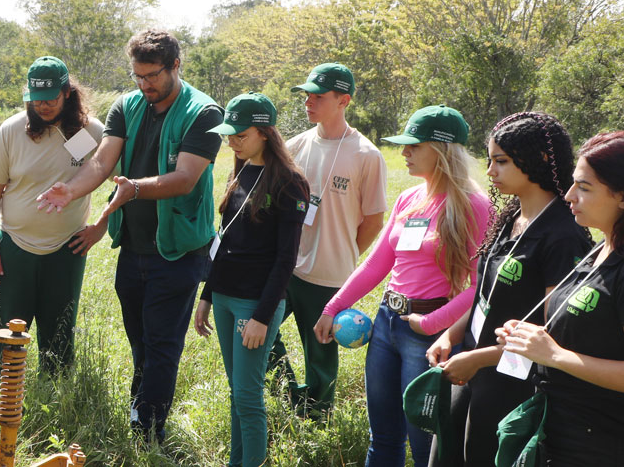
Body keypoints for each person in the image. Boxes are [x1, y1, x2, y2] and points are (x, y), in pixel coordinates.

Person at [35, 30, 225, 442]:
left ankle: (149, 433)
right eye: (137, 76)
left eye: (152, 76)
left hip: (177, 251)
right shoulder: (128, 105)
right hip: (134, 248)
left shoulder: (204, 112)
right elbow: (103, 161)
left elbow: (187, 178)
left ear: (176, 65)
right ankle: (141, 410)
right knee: (140, 339)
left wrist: (135, 188)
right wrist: (72, 188)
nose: (144, 85)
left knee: (161, 344)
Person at [496, 131, 624, 466]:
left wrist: (555, 355)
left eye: (584, 188)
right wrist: (531, 338)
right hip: (557, 430)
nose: (570, 196)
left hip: (597, 445)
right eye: (573, 183)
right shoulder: (599, 250)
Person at [312, 105, 492, 467]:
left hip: (429, 337)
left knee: (426, 446)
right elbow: (377, 264)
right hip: (386, 327)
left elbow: (481, 288)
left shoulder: (475, 206)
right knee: (383, 438)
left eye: (414, 146)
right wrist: (332, 307)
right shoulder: (409, 198)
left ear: (442, 151)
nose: (404, 153)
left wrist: (433, 323)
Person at [421, 112, 589, 466]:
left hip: (512, 381)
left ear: (539, 160)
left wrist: (478, 359)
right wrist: (450, 336)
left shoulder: (563, 234)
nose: (490, 172)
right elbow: (487, 294)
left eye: (502, 161)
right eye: (490, 161)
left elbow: (552, 332)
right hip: (469, 367)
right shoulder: (511, 217)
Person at [267, 63, 388, 420]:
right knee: (257, 329)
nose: (308, 102)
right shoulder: (293, 147)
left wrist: (344, 252)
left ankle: (316, 418)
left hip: (331, 275)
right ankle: (289, 393)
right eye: (306, 95)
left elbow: (374, 221)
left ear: (343, 100)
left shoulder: (366, 155)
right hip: (287, 267)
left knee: (320, 355)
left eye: (318, 96)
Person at [196, 93, 308, 467]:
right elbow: (224, 239)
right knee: (237, 394)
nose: (232, 142)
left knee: (248, 397)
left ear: (264, 132)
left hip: (253, 304)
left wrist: (262, 316)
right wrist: (207, 295)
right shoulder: (240, 169)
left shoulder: (290, 183)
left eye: (239, 135)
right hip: (225, 296)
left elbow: (286, 258)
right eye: (229, 134)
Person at [0, 56, 105, 372]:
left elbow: (123, 184)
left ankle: (57, 397)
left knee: (59, 341)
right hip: (14, 248)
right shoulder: (10, 130)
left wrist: (101, 227)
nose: (43, 106)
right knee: (3, 337)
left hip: (67, 250)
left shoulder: (91, 132)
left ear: (67, 93)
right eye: (36, 100)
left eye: (50, 98)